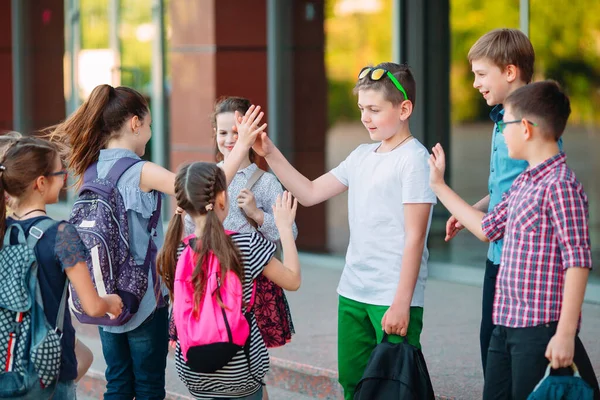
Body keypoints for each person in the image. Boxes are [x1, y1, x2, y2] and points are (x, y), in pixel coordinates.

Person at [239, 62, 437, 400]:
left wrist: (402, 302)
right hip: (353, 291)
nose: (365, 117)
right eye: (362, 108)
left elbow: (415, 236)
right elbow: (310, 192)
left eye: (374, 109)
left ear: (404, 109)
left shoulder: (414, 159)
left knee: (396, 390)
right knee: (352, 384)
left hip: (393, 296)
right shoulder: (361, 155)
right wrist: (269, 152)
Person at [429, 80, 599, 400]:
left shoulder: (561, 185)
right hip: (505, 324)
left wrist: (565, 334)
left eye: (503, 123)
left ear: (525, 128)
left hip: (539, 330)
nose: (500, 132)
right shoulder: (523, 182)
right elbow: (486, 228)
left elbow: (578, 262)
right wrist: (438, 186)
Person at [444, 29, 562, 375]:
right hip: (499, 260)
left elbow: (512, 207)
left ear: (509, 72)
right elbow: (508, 191)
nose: (476, 83)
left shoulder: (527, 129)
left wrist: (439, 186)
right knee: (495, 351)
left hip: (519, 267)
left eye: (481, 74)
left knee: (513, 361)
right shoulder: (502, 122)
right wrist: (478, 208)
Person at [48, 84, 176, 400]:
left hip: (105, 296)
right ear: (135, 123)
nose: (148, 133)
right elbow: (200, 187)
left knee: (117, 382)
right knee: (148, 387)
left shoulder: (91, 168)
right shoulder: (141, 170)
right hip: (144, 299)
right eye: (148, 126)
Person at [156, 161, 301, 399]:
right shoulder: (246, 245)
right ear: (223, 198)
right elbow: (293, 280)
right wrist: (284, 228)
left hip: (192, 370)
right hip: (241, 369)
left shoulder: (176, 251)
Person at [0, 135, 123, 399]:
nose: (65, 178)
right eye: (60, 173)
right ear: (41, 183)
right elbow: (91, 306)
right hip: (51, 369)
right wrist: (110, 303)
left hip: (8, 363)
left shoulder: (4, 231)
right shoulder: (62, 234)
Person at [184, 96, 297, 357]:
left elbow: (290, 232)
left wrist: (258, 215)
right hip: (214, 279)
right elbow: (190, 224)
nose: (229, 139)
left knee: (252, 360)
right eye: (223, 132)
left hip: (255, 282)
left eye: (236, 132)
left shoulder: (267, 183)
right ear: (215, 134)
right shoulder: (206, 177)